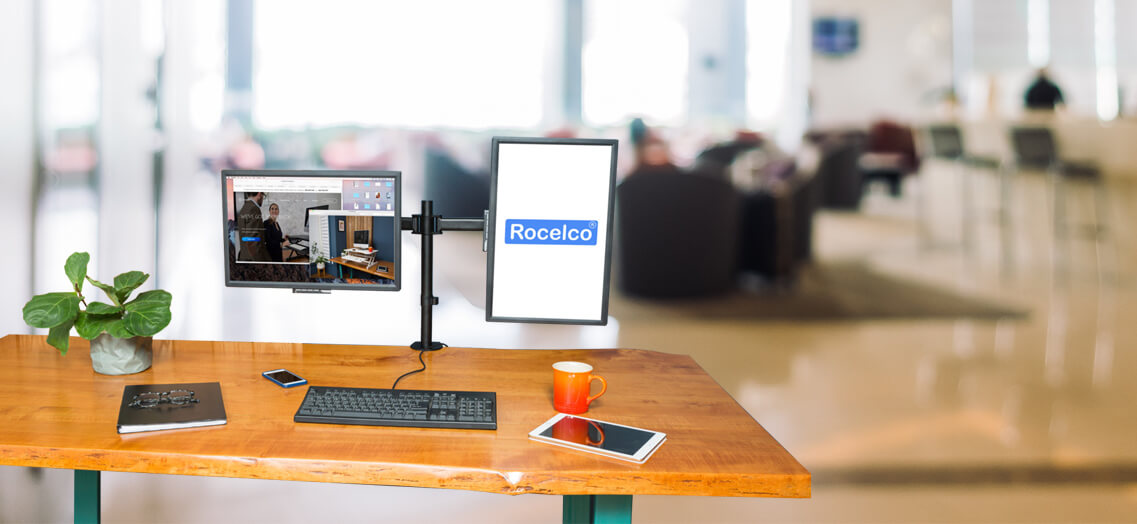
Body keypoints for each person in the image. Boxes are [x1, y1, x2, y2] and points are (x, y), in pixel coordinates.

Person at [237, 191, 271, 262]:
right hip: (254, 259)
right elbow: (253, 241)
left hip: (245, 257)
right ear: (259, 194)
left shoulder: (244, 208)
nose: (262, 199)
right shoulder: (254, 209)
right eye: (263, 196)